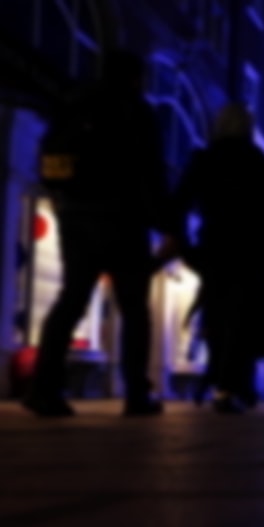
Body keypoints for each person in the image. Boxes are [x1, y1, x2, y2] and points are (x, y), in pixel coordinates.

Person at [24, 50, 173, 417]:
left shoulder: (77, 102)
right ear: (136, 78)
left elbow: (52, 156)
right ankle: (136, 392)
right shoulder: (138, 112)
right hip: (123, 220)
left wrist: (62, 198)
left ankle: (44, 388)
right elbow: (152, 173)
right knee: (134, 308)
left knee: (71, 299)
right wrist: (168, 226)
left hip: (76, 215)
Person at [170, 102, 264, 414]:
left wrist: (185, 248)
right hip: (253, 254)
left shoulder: (204, 160)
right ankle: (231, 385)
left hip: (215, 249)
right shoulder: (263, 166)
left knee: (218, 315)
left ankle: (225, 384)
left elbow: (180, 204)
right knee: (245, 317)